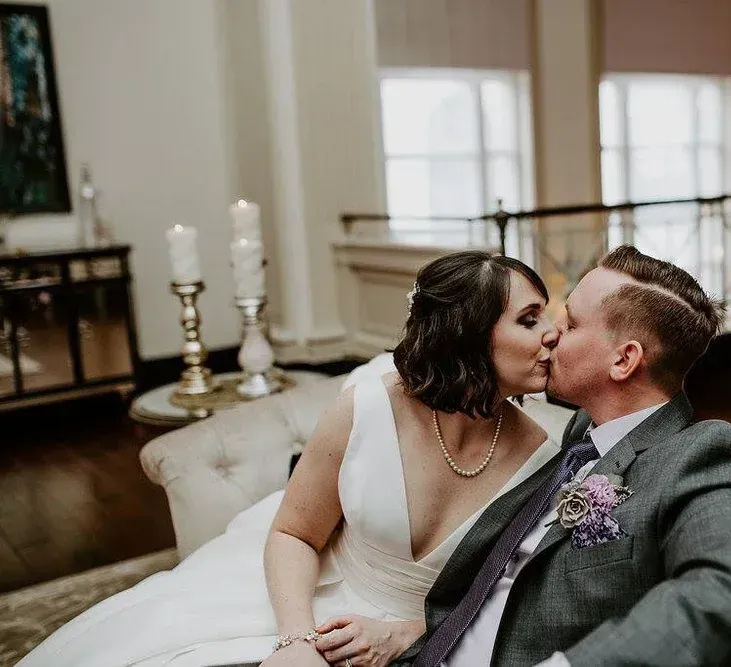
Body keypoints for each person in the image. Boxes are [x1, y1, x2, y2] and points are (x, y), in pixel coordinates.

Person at [16, 251, 561, 667]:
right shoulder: (369, 408)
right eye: (529, 319)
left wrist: (407, 631)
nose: (552, 333)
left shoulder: (542, 458)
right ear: (468, 334)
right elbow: (296, 533)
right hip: (300, 598)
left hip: (424, 637)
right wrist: (296, 641)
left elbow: (509, 595)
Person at [402, 245, 731, 667]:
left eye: (569, 324)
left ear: (624, 360)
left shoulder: (703, 455)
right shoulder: (582, 433)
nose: (550, 334)